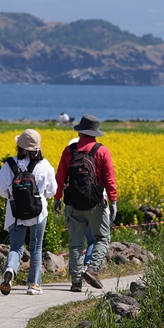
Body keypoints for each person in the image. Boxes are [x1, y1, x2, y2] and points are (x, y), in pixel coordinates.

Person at [53, 114, 118, 292]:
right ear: (95, 132)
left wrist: (57, 198)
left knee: (75, 243)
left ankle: (75, 282)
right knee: (102, 237)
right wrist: (113, 201)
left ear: (80, 131)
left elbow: (60, 178)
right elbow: (109, 179)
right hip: (95, 202)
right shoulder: (102, 151)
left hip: (73, 202)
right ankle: (93, 270)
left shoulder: (69, 151)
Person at [0, 128, 57, 295]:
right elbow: (53, 190)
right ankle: (34, 285)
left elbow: (0, 187)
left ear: (19, 146)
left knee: (16, 247)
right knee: (36, 247)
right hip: (38, 213)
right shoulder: (45, 165)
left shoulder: (10, 165)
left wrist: (12, 196)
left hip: (15, 212)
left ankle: (10, 269)